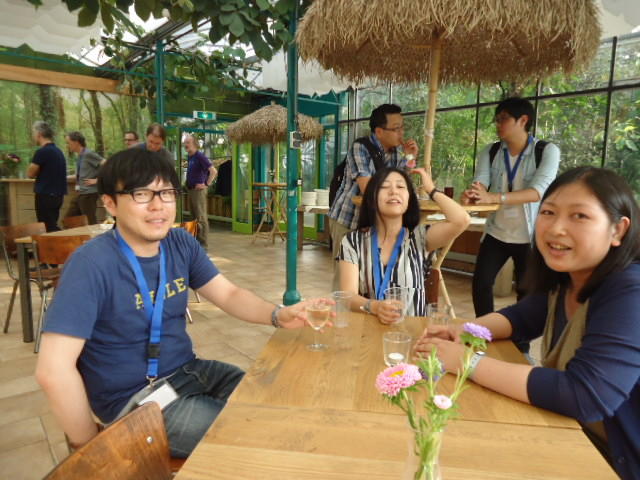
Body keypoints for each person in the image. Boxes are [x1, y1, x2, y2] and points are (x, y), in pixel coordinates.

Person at [35, 147, 329, 458]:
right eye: (141, 194)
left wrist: (278, 314)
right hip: (136, 401)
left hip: (189, 372)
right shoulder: (91, 264)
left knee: (275, 402)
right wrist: (90, 449)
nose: (158, 206)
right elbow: (53, 370)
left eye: (166, 193)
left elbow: (228, 294)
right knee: (250, 431)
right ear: (110, 203)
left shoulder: (180, 242)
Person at [417, 167, 640, 480]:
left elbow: (586, 395)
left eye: (579, 216)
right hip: (570, 434)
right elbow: (521, 318)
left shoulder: (630, 291)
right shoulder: (567, 279)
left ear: (618, 230)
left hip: (617, 461)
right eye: (548, 212)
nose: (556, 228)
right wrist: (463, 330)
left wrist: (467, 362)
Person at [462, 97, 560, 325]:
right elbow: (481, 182)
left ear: (523, 120)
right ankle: (484, 331)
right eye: (496, 119)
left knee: (526, 291)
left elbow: (538, 191)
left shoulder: (546, 151)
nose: (498, 124)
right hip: (497, 232)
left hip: (530, 236)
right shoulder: (492, 151)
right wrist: (473, 194)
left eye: (503, 119)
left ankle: (520, 340)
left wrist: (494, 197)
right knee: (481, 283)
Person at [340, 166, 469, 322]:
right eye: (384, 187)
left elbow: (462, 220)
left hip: (414, 332)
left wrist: (431, 190)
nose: (394, 191)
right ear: (372, 198)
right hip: (371, 330)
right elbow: (348, 296)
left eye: (401, 187)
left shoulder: (421, 237)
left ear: (409, 199)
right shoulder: (353, 242)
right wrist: (375, 306)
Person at [329, 104, 418, 289]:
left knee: (368, 278)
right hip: (348, 220)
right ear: (379, 131)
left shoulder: (395, 154)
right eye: (396, 128)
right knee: (345, 280)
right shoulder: (360, 148)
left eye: (402, 127)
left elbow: (402, 183)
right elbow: (368, 188)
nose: (401, 133)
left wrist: (409, 158)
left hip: (374, 225)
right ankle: (342, 309)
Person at [26, 121, 67, 232]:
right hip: (58, 195)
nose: (33, 136)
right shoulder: (59, 152)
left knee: (46, 227)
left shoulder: (42, 152)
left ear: (39, 134)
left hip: (45, 195)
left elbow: (30, 174)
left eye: (34, 133)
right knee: (52, 223)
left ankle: (61, 241)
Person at [64, 131, 104, 224]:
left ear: (76, 142)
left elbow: (109, 165)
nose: (67, 145)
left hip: (89, 194)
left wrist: (98, 180)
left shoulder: (88, 154)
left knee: (90, 222)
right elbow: (80, 175)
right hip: (81, 194)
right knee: (68, 220)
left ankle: (95, 234)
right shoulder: (80, 156)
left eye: (68, 143)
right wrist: (62, 177)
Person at [184, 135, 217, 248]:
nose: (185, 145)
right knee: (193, 217)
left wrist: (206, 184)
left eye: (187, 142)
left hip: (198, 191)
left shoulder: (200, 156)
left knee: (201, 217)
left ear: (194, 143)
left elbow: (213, 171)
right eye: (185, 142)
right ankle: (195, 242)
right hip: (191, 190)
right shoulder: (190, 157)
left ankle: (203, 244)